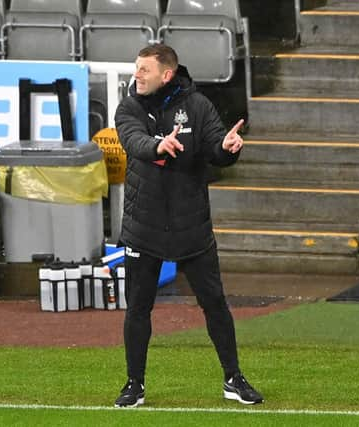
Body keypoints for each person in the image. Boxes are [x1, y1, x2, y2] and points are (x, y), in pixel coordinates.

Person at [113, 44, 263, 407]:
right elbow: (133, 141)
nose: (137, 75)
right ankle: (134, 384)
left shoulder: (197, 105)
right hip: (143, 226)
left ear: (166, 74)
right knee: (138, 308)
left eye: (144, 70)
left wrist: (228, 149)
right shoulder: (129, 106)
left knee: (214, 304)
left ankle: (233, 378)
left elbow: (216, 149)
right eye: (136, 68)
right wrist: (156, 145)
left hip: (191, 225)